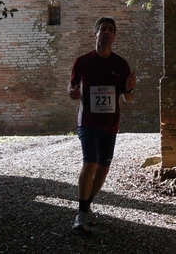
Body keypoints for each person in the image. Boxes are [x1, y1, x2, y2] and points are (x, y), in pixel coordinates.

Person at [68, 17, 136, 232]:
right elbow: (71, 90)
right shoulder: (82, 62)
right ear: (95, 34)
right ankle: (80, 214)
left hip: (110, 124)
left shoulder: (120, 64)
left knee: (103, 169)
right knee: (90, 163)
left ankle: (87, 207)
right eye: (103, 29)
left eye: (110, 30)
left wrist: (129, 88)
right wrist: (73, 92)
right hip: (88, 121)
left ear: (114, 36)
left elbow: (128, 98)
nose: (107, 32)